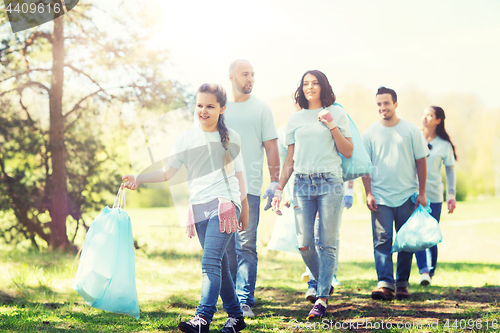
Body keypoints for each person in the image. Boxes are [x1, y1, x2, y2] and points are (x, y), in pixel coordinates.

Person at [122, 84, 249, 333]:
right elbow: (168, 172)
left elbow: (240, 176)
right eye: (200, 105)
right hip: (199, 207)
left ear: (222, 109)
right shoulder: (186, 139)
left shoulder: (231, 137)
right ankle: (236, 316)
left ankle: (202, 318)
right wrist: (139, 177)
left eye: (210, 106)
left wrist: (243, 208)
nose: (203, 110)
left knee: (210, 262)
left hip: (224, 205)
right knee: (219, 265)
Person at [272, 70, 353, 319]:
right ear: (301, 89)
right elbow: (290, 160)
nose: (310, 87)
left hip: (330, 182)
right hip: (302, 185)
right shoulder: (295, 119)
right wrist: (278, 188)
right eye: (306, 83)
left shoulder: (337, 112)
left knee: (327, 242)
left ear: (323, 87)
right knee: (304, 243)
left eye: (315, 83)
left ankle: (321, 298)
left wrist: (331, 124)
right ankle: (324, 283)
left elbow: (348, 151)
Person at [361, 86, 429, 301]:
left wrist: (422, 192)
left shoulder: (411, 131)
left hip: (407, 195)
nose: (383, 108)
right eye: (379, 104)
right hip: (380, 198)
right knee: (382, 240)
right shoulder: (369, 133)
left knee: (406, 242)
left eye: (386, 103)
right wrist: (368, 193)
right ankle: (385, 284)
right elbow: (365, 166)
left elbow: (421, 162)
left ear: (395, 104)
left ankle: (402, 284)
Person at [224, 59, 280, 318]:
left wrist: (275, 181)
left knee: (245, 245)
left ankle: (244, 299)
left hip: (252, 188)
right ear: (232, 76)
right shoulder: (219, 108)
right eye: (245, 74)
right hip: (221, 189)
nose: (250, 79)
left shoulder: (261, 109)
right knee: (226, 245)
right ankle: (233, 297)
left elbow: (271, 147)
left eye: (253, 75)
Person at [415, 106, 457, 286]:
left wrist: (451, 195)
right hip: (414, 194)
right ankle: (423, 271)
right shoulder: (415, 138)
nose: (425, 118)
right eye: (424, 114)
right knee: (417, 234)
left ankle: (430, 271)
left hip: (435, 195)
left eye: (430, 115)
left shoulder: (444, 145)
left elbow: (450, 171)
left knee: (431, 235)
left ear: (438, 120)